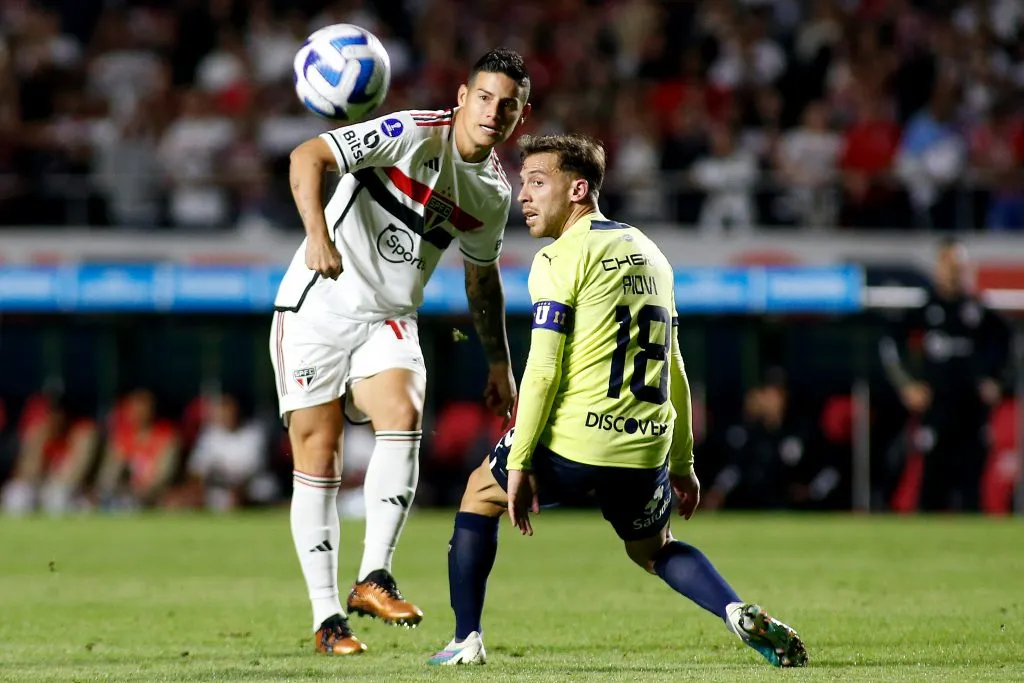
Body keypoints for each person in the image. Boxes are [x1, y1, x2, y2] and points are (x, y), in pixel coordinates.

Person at [428, 133, 808, 668]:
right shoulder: (653, 254)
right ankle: (733, 608)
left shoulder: (558, 258)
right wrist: (682, 463)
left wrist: (518, 461)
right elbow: (675, 368)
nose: (524, 196)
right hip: (643, 447)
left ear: (578, 189)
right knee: (654, 550)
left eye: (538, 182)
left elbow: (541, 369)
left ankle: (466, 639)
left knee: (478, 494)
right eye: (523, 184)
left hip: (575, 442)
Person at [270, 48, 530, 655]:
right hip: (319, 306)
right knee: (320, 454)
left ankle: (374, 577)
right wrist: (316, 236)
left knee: (404, 411)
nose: (495, 112)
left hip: (389, 315)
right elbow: (307, 155)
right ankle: (326, 617)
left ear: (520, 116)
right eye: (486, 97)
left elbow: (481, 278)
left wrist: (499, 362)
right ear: (464, 97)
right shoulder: (409, 132)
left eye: (509, 105)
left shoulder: (491, 194)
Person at [879, 237, 1012, 512]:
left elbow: (1006, 344)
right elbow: (890, 345)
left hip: (972, 409)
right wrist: (908, 385)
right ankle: (924, 545)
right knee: (931, 482)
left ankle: (975, 547)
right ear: (938, 268)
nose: (952, 271)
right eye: (947, 264)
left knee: (971, 485)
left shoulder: (978, 311)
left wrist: (995, 379)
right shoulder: (925, 309)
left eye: (957, 265)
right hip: (936, 407)